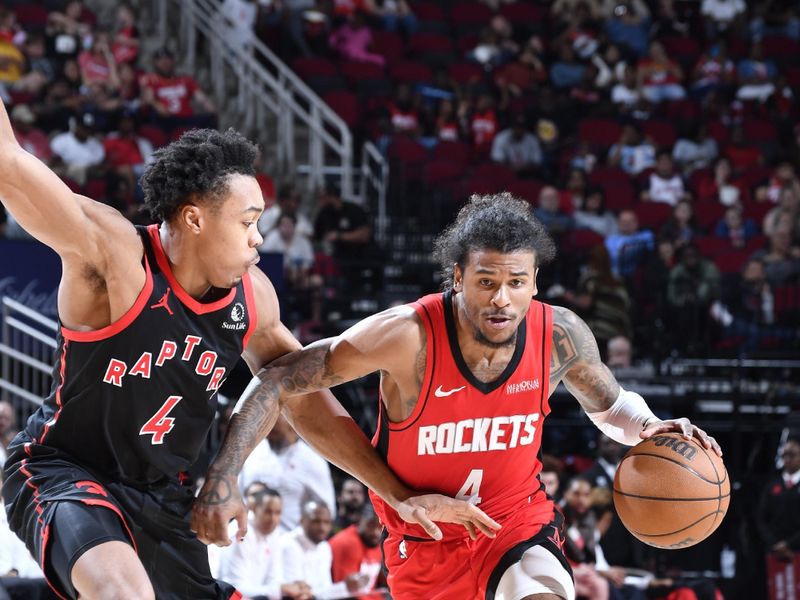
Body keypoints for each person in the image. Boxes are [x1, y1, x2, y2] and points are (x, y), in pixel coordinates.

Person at [0, 95, 495, 600]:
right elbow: (9, 166)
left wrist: (396, 492)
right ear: (195, 219)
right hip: (64, 471)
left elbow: (300, 395)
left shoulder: (252, 296)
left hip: (160, 495)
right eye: (247, 221)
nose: (259, 239)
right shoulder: (116, 257)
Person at [195, 193, 721, 599]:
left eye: (516, 281)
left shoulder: (559, 334)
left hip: (515, 522)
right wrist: (223, 477)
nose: (501, 298)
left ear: (535, 281)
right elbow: (280, 378)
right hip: (422, 537)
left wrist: (649, 427)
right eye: (486, 280)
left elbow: (612, 407)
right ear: (458, 276)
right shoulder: (407, 335)